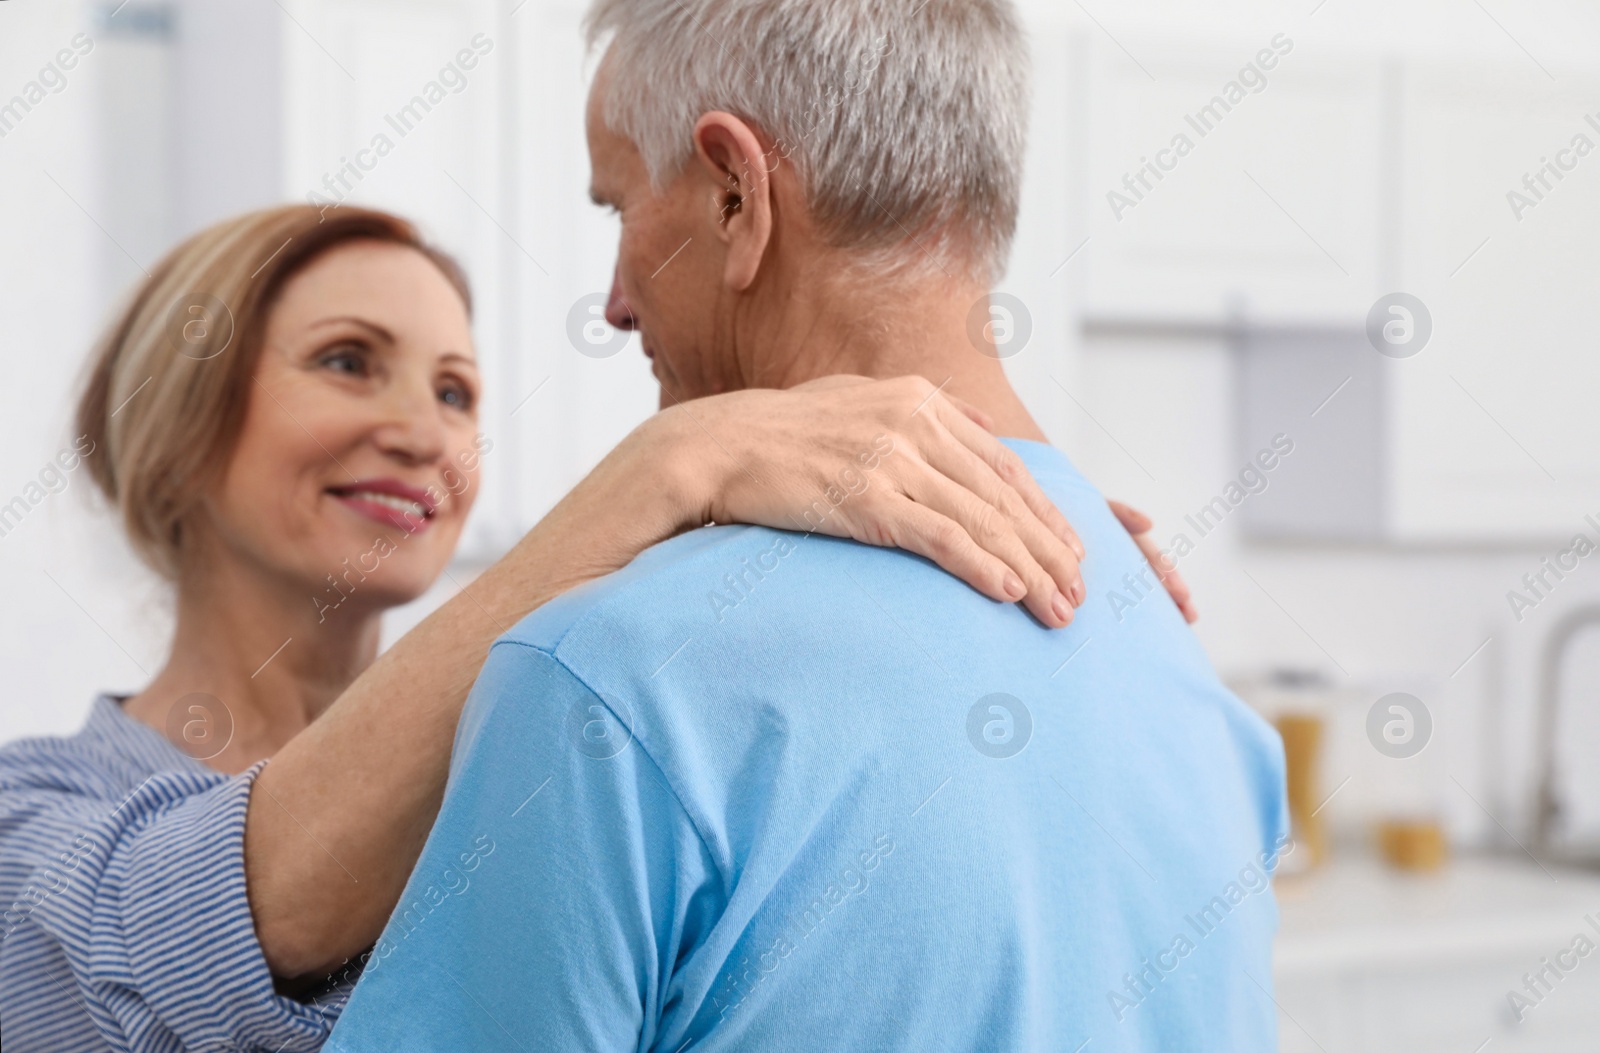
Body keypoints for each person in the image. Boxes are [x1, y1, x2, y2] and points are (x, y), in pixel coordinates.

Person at [325, 1, 1285, 1051]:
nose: (613, 304)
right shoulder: (1185, 673)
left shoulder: (611, 681)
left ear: (736, 194)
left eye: (619, 211)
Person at [0, 203, 1183, 1051]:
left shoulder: (531, 749)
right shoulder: (30, 826)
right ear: (177, 431)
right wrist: (671, 464)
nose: (423, 430)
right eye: (349, 362)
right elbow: (219, 921)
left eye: (456, 390)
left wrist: (1009, 525)